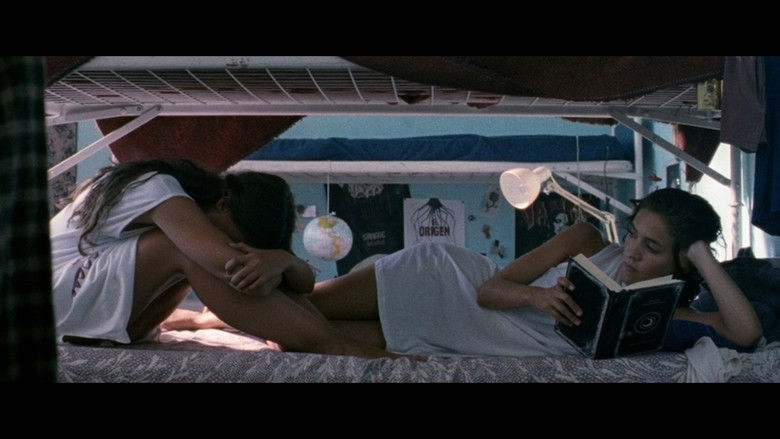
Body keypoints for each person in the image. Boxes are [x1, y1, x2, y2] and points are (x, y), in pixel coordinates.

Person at [176, 188, 763, 358]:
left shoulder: (658, 314)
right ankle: (203, 309)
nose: (632, 253)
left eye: (652, 248)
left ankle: (207, 321)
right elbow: (489, 288)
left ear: (679, 261)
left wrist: (701, 253)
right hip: (442, 282)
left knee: (299, 337)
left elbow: (744, 333)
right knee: (312, 307)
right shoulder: (588, 241)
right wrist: (538, 299)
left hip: (459, 336)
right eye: (634, 234)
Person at [50, 158, 393, 358]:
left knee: (195, 256)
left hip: (86, 315)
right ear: (223, 205)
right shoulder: (158, 189)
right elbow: (231, 268)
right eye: (236, 242)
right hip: (54, 299)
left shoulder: (187, 207)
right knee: (186, 251)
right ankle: (332, 344)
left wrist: (283, 261)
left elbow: (302, 286)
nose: (237, 249)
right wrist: (267, 267)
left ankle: (330, 340)